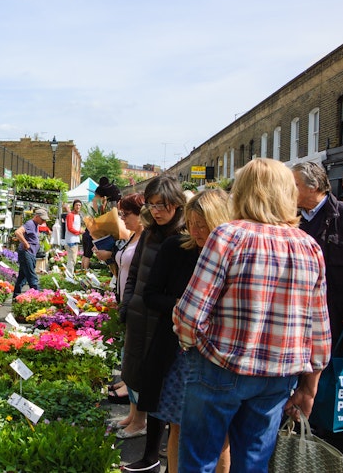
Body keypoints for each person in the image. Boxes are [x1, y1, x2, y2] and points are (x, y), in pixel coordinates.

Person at [172, 158, 331, 472]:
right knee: (254, 464)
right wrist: (309, 387)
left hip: (220, 366)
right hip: (277, 377)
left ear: (241, 192)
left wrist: (193, 345)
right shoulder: (309, 247)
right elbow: (320, 331)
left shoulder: (228, 236)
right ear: (287, 194)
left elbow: (190, 315)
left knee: (198, 462)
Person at [139, 189, 231, 473]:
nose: (197, 231)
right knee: (178, 427)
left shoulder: (236, 253)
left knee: (221, 436)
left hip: (221, 357)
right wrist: (182, 305)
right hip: (180, 354)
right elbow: (150, 295)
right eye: (192, 223)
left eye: (204, 224)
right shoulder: (176, 248)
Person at [119, 175, 186, 472]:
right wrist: (129, 302)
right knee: (143, 381)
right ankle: (150, 454)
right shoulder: (149, 233)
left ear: (176, 204)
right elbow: (134, 272)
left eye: (162, 205)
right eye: (152, 204)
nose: (156, 210)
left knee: (162, 388)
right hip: (141, 314)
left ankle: (154, 456)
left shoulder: (184, 236)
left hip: (166, 323)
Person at [292, 161, 343, 453]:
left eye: (295, 185)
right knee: (306, 375)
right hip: (301, 317)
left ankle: (334, 436)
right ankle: (306, 429)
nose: (289, 191)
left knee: (334, 377)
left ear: (313, 186)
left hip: (337, 314)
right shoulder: (291, 220)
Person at [104, 194, 148, 438]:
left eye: (126, 214)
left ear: (140, 214)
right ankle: (133, 414)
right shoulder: (133, 236)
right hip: (126, 305)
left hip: (137, 309)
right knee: (127, 362)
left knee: (133, 363)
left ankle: (139, 420)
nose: (122, 218)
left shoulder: (147, 238)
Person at [12, 207, 49, 299]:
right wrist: (26, 243)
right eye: (42, 219)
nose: (44, 221)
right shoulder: (30, 223)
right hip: (26, 253)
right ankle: (39, 298)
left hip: (30, 253)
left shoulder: (35, 225)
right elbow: (18, 232)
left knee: (22, 276)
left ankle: (16, 297)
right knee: (32, 276)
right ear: (37, 216)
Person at [64, 199, 83, 275]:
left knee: (73, 260)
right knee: (72, 260)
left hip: (75, 239)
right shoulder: (71, 215)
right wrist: (79, 232)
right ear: (73, 206)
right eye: (76, 205)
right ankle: (69, 276)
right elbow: (70, 228)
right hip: (71, 240)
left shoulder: (78, 215)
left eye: (79, 205)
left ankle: (69, 275)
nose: (78, 207)